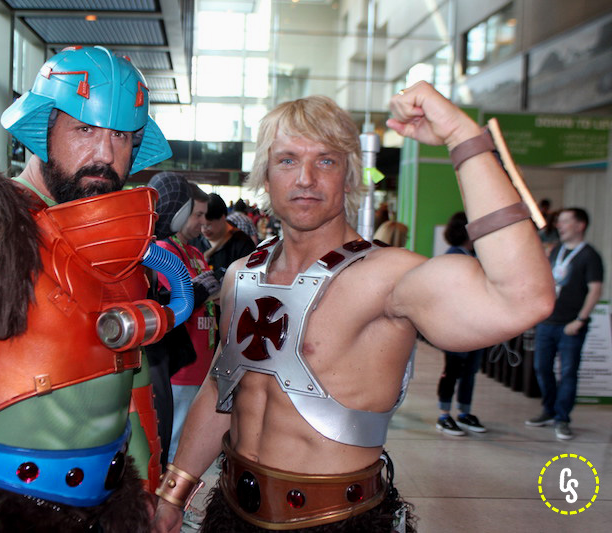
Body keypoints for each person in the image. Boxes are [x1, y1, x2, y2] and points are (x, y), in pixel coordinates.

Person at [153, 82, 554, 532]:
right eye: (287, 160)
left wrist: (463, 136)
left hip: (337, 520)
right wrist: (173, 493)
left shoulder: (389, 276)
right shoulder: (241, 275)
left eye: (326, 160)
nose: (305, 178)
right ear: (266, 176)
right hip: (232, 513)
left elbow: (522, 298)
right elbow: (221, 388)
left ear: (349, 176)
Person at [0, 46, 188, 533]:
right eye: (84, 130)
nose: (105, 155)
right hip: (8, 509)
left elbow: (131, 378)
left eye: (122, 136)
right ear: (43, 128)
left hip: (115, 507)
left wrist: (146, 491)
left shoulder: (120, 241)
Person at [526, 207, 603, 440]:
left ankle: (562, 418)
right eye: (559, 221)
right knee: (542, 368)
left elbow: (595, 290)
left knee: (568, 372)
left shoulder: (589, 255)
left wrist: (580, 319)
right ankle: (549, 410)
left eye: (566, 221)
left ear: (580, 225)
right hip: (547, 322)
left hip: (571, 325)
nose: (560, 226)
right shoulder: (556, 250)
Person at [155, 184, 218, 463]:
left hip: (200, 365)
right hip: (180, 370)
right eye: (197, 215)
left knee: (188, 442)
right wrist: (199, 291)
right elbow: (172, 307)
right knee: (174, 445)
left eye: (205, 215)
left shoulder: (195, 252)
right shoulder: (163, 252)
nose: (203, 222)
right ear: (180, 214)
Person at [434, 212, 486, 436]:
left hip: (476, 325)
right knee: (453, 370)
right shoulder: (454, 257)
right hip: (457, 326)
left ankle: (464, 412)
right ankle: (444, 414)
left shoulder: (473, 256)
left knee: (470, 371)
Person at [196, 193, 256, 282]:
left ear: (223, 217)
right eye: (201, 225)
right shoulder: (195, 239)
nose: (203, 230)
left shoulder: (243, 244)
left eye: (208, 225)